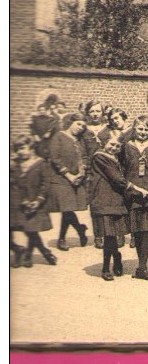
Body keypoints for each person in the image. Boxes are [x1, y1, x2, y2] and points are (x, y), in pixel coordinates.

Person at [122, 116, 148, 281]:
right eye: (140, 129)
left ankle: (142, 267)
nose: (143, 132)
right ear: (134, 129)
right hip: (132, 193)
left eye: (147, 129)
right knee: (137, 230)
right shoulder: (126, 146)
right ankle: (141, 265)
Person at [89, 136, 135, 280]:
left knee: (111, 234)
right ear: (104, 143)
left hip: (116, 199)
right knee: (108, 235)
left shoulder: (116, 159)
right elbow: (116, 178)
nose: (114, 148)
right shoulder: (100, 157)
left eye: (117, 146)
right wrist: (137, 189)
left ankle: (116, 257)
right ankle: (106, 267)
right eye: (112, 144)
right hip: (103, 198)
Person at [46, 112, 90, 251]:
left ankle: (75, 231)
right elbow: (54, 158)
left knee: (68, 209)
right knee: (66, 208)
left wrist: (82, 172)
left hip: (77, 179)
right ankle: (67, 235)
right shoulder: (58, 136)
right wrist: (69, 175)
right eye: (78, 124)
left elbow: (85, 157)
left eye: (83, 126)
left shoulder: (80, 140)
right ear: (71, 123)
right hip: (61, 179)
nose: (80, 128)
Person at [10, 136, 57, 268]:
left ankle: (35, 254)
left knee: (31, 229)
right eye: (17, 149)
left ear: (31, 148)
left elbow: (45, 184)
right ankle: (21, 250)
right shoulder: (15, 165)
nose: (19, 152)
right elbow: (13, 183)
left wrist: (38, 200)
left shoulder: (40, 164)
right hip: (18, 202)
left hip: (35, 202)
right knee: (16, 228)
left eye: (22, 148)